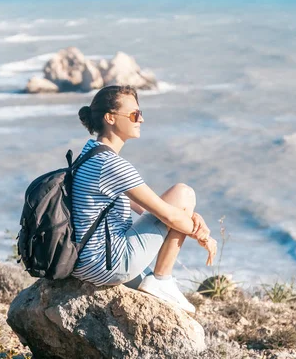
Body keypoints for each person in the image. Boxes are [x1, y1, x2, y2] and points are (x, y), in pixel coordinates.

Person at [72, 85, 217, 314]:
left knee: (180, 205)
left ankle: (160, 281)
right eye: (135, 115)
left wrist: (188, 216)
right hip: (109, 264)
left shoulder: (88, 154)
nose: (142, 119)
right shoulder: (112, 164)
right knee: (184, 192)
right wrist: (203, 235)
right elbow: (167, 214)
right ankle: (162, 278)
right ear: (110, 118)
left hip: (85, 263)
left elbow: (142, 207)